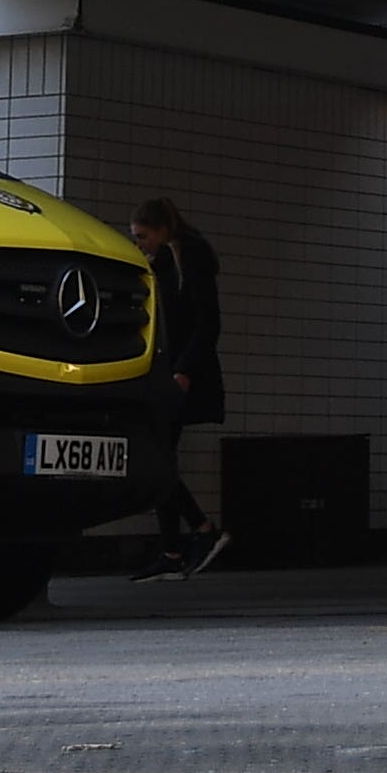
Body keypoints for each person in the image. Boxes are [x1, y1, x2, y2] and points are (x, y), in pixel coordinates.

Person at [129, 197, 227, 575]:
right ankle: (175, 547)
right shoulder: (170, 259)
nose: (140, 243)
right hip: (172, 370)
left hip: (180, 372)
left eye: (142, 236)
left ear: (160, 230)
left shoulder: (190, 258)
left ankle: (199, 531)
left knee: (158, 457)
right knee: (161, 455)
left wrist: (184, 370)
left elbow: (206, 322)